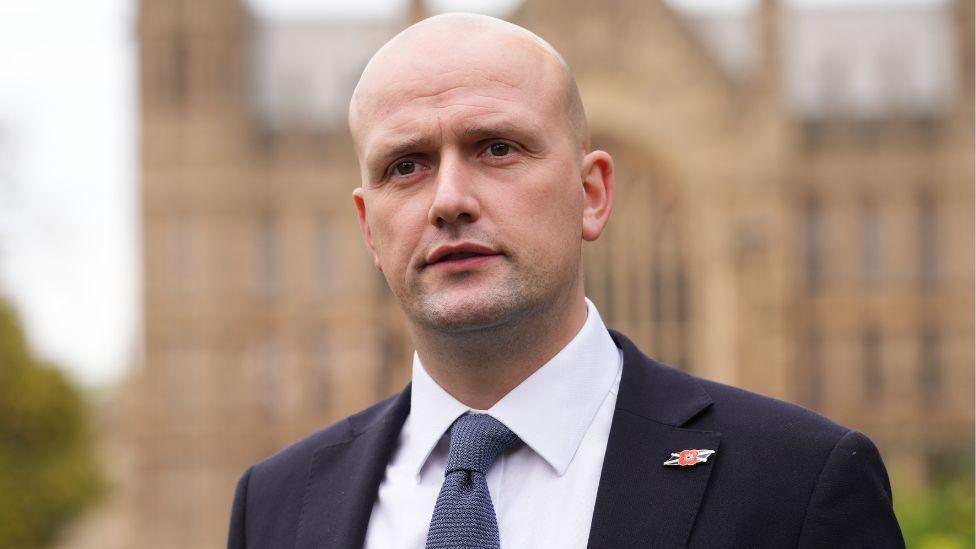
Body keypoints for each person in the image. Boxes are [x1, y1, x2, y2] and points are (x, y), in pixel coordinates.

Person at [227, 13, 905, 549]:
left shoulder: (798, 484)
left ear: (592, 193)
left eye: (497, 148)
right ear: (368, 227)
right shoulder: (274, 506)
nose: (450, 198)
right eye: (406, 165)